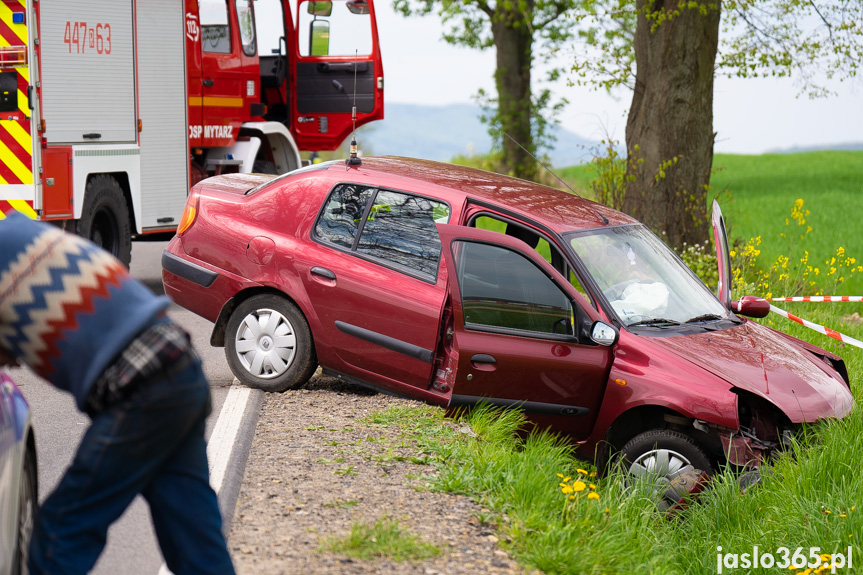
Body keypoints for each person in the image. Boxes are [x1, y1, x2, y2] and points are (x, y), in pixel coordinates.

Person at [0, 211, 235, 575]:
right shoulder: (18, 231)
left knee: (61, 532)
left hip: (144, 388)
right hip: (180, 370)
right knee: (194, 545)